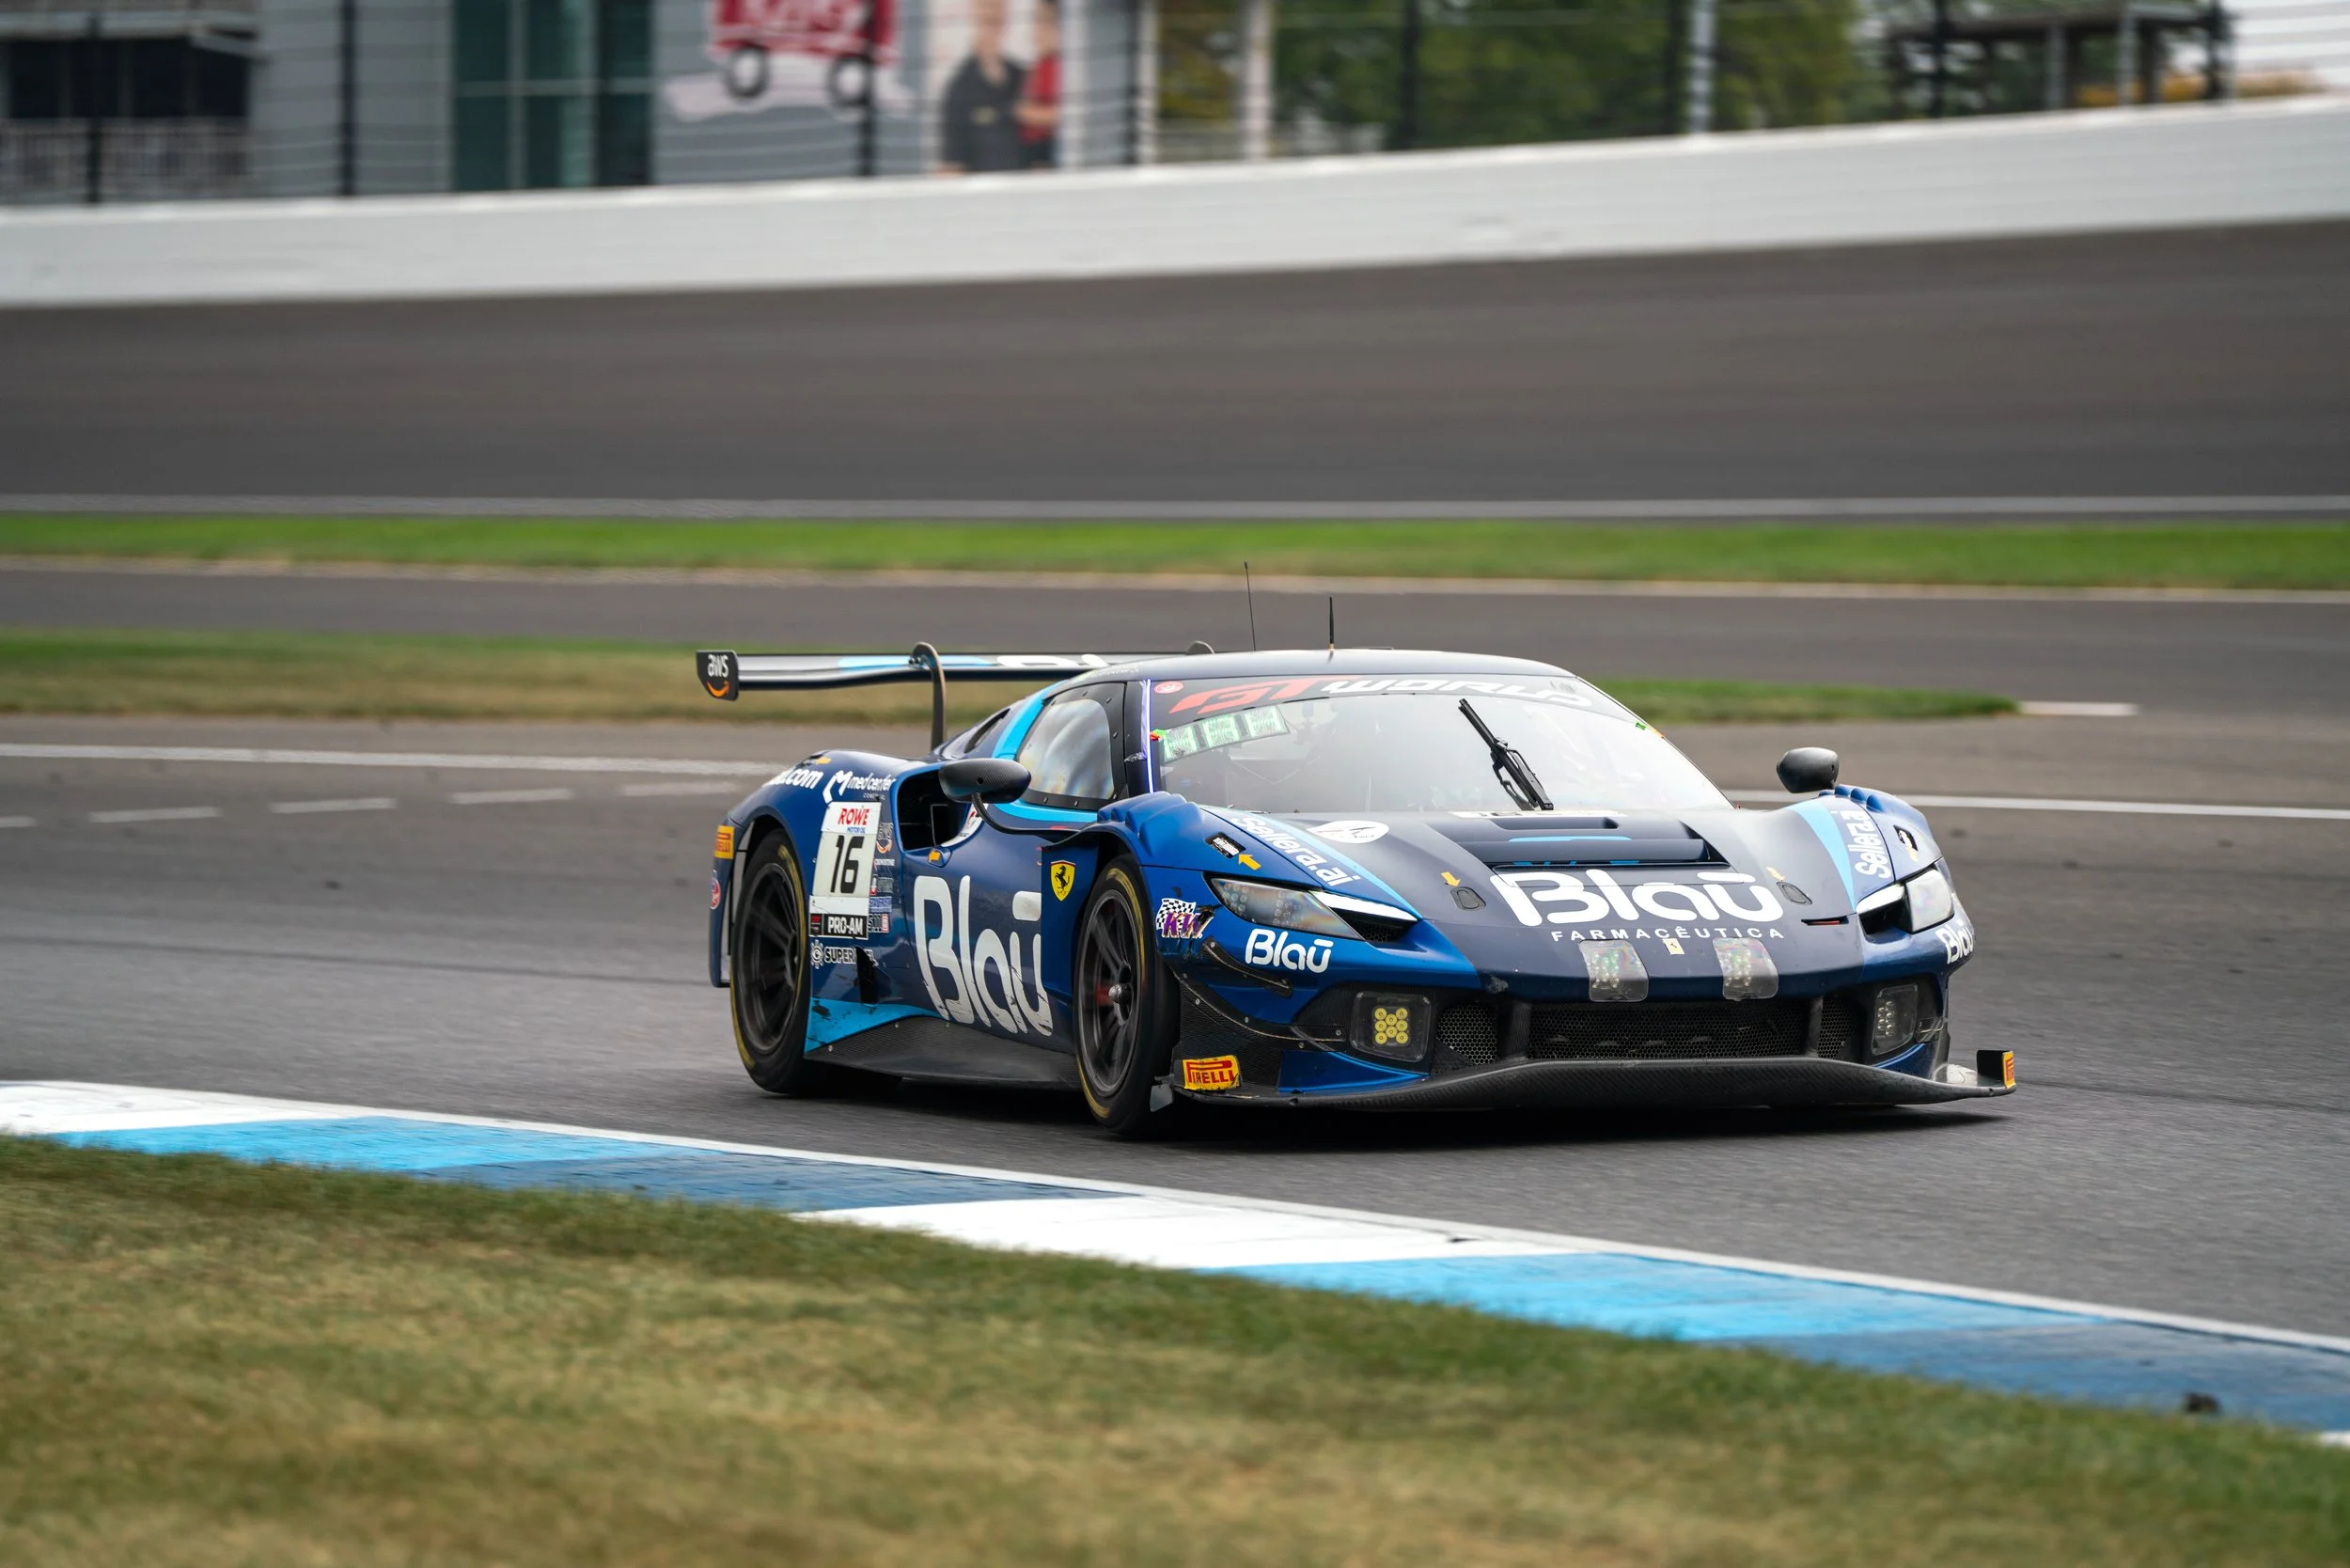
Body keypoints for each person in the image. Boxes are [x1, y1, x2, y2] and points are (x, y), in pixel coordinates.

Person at [936, 0, 1027, 174]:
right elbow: (952, 164)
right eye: (987, 4)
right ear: (975, 10)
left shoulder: (1023, 78)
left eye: (999, 4)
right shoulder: (959, 88)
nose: (993, 10)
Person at [1015, 0, 1060, 168]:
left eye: (1047, 22)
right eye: (1037, 20)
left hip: (1047, 150)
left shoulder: (1059, 68)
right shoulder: (1038, 66)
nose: (1039, 29)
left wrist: (1028, 114)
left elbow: (1062, 113)